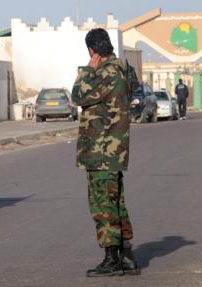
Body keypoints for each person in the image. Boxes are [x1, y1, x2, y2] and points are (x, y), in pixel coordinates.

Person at [71, 28, 139, 277]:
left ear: (92, 50)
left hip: (101, 150)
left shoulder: (104, 72)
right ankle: (127, 256)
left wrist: (87, 70)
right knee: (116, 201)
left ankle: (112, 259)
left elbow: (77, 96)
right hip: (115, 151)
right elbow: (134, 88)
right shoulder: (123, 69)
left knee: (102, 204)